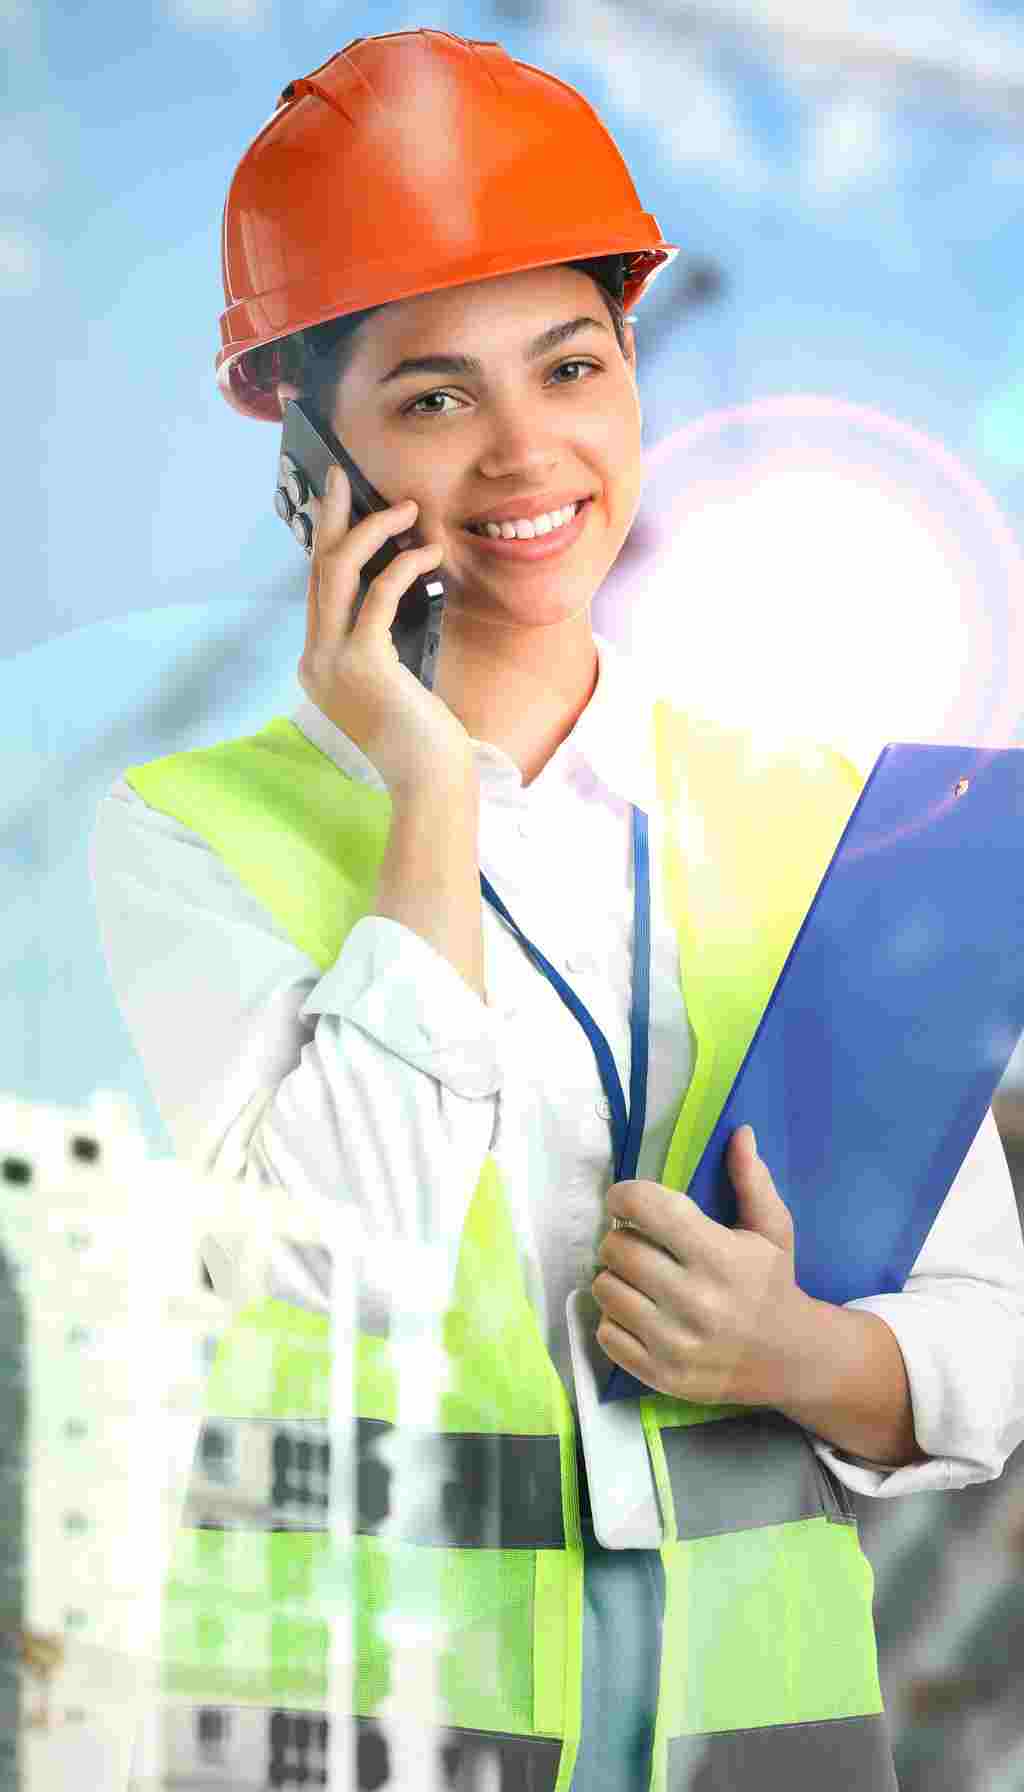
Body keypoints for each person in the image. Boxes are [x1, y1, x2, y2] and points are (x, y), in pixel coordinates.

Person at [89, 27, 1024, 1792]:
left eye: (572, 367)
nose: (528, 453)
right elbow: (333, 1272)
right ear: (310, 464)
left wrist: (805, 1354)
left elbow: (991, 1338)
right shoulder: (192, 838)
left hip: (771, 1742)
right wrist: (430, 792)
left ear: (634, 381)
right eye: (435, 399)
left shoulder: (826, 818)